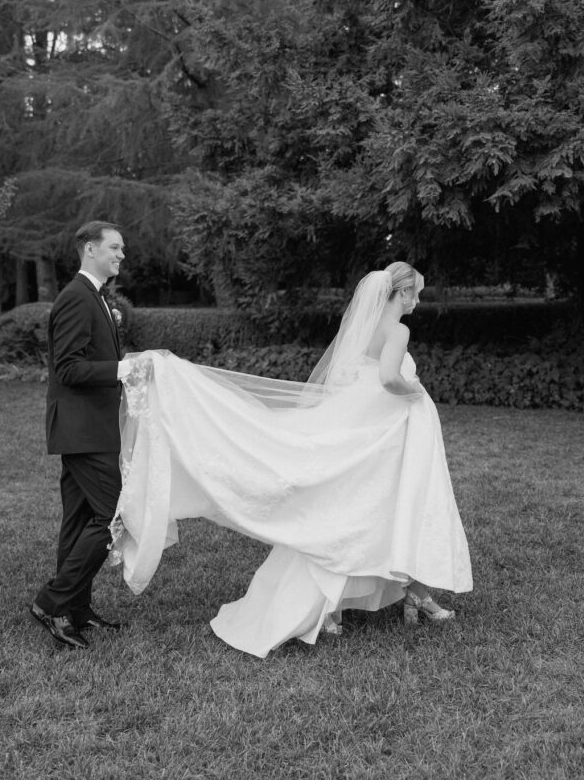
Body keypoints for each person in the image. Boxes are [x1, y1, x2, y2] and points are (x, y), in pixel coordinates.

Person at [109, 262, 472, 658]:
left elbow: (353, 378)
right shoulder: (398, 330)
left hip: (369, 425)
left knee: (362, 507)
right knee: (387, 507)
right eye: (415, 293)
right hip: (387, 430)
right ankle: (403, 596)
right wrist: (414, 390)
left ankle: (368, 602)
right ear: (399, 294)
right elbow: (387, 378)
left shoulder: (364, 328)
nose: (417, 301)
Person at [30, 220, 130, 650]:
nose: (121, 255)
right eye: (114, 247)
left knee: (77, 522)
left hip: (91, 427)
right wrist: (121, 369)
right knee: (111, 517)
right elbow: (67, 368)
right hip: (83, 430)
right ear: (90, 249)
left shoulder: (96, 297)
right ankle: (51, 603)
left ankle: (76, 608)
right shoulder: (76, 297)